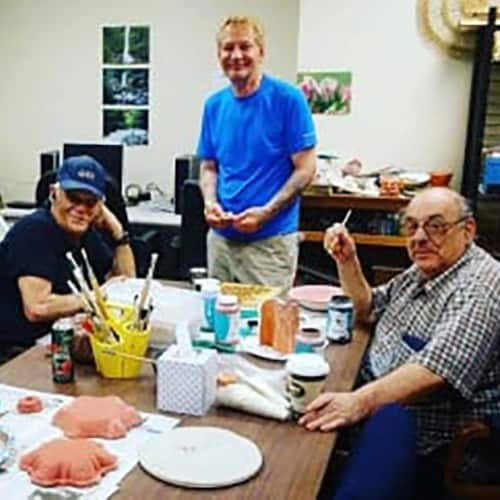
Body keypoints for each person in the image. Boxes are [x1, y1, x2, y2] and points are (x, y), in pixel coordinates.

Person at [300, 187, 500, 494]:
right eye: (411, 226)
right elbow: (367, 307)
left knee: (295, 460)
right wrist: (347, 260)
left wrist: (356, 403)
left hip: (424, 436)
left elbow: (434, 370)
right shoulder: (426, 269)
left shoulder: (480, 287)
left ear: (468, 230)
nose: (419, 237)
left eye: (435, 226)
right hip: (374, 402)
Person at [197, 15, 317, 291]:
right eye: (228, 48)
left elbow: (306, 169)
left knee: (266, 328)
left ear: (260, 52)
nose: (236, 55)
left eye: (245, 46)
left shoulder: (288, 100)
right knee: (220, 325)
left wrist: (266, 212)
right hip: (221, 243)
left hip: (269, 244)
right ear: (219, 55)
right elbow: (209, 166)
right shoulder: (214, 106)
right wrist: (209, 203)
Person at [0, 155, 135, 359]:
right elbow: (37, 307)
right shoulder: (33, 232)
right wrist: (96, 297)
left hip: (60, 343)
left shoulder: (85, 234)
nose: (81, 209)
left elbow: (126, 285)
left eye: (90, 202)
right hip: (19, 354)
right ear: (54, 193)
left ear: (101, 205)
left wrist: (119, 234)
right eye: (73, 198)